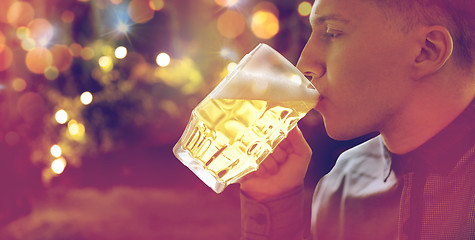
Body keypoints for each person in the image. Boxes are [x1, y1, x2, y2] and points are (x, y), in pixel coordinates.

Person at [239, 0, 475, 239]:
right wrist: (275, 204)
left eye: (332, 33)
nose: (304, 66)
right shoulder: (340, 184)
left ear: (426, 50)